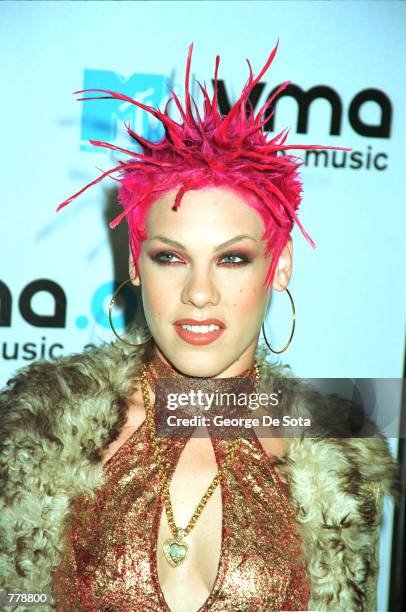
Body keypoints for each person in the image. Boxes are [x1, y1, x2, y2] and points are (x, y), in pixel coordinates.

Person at [0, 42, 400, 612]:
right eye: (171, 257)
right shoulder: (36, 436)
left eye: (232, 258)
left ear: (279, 265)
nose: (199, 293)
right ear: (136, 264)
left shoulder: (340, 460)